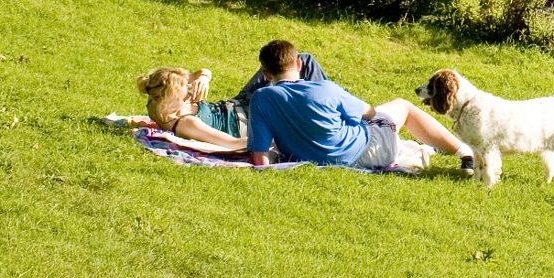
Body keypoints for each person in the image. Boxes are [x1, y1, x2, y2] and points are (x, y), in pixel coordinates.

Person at [245, 39, 472, 172]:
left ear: (266, 74)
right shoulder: (324, 89)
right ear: (298, 63)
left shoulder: (261, 99)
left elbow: (260, 158)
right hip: (362, 152)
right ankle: (464, 153)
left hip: (312, 157)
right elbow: (371, 113)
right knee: (402, 107)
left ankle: (428, 147)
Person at [136, 41, 329, 152]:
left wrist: (203, 77)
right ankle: (335, 108)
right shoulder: (187, 124)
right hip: (253, 115)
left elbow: (201, 72)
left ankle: (335, 103)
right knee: (305, 64)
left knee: (303, 60)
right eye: (186, 93)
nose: (191, 93)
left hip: (241, 101)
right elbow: (233, 144)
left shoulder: (156, 99)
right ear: (171, 99)